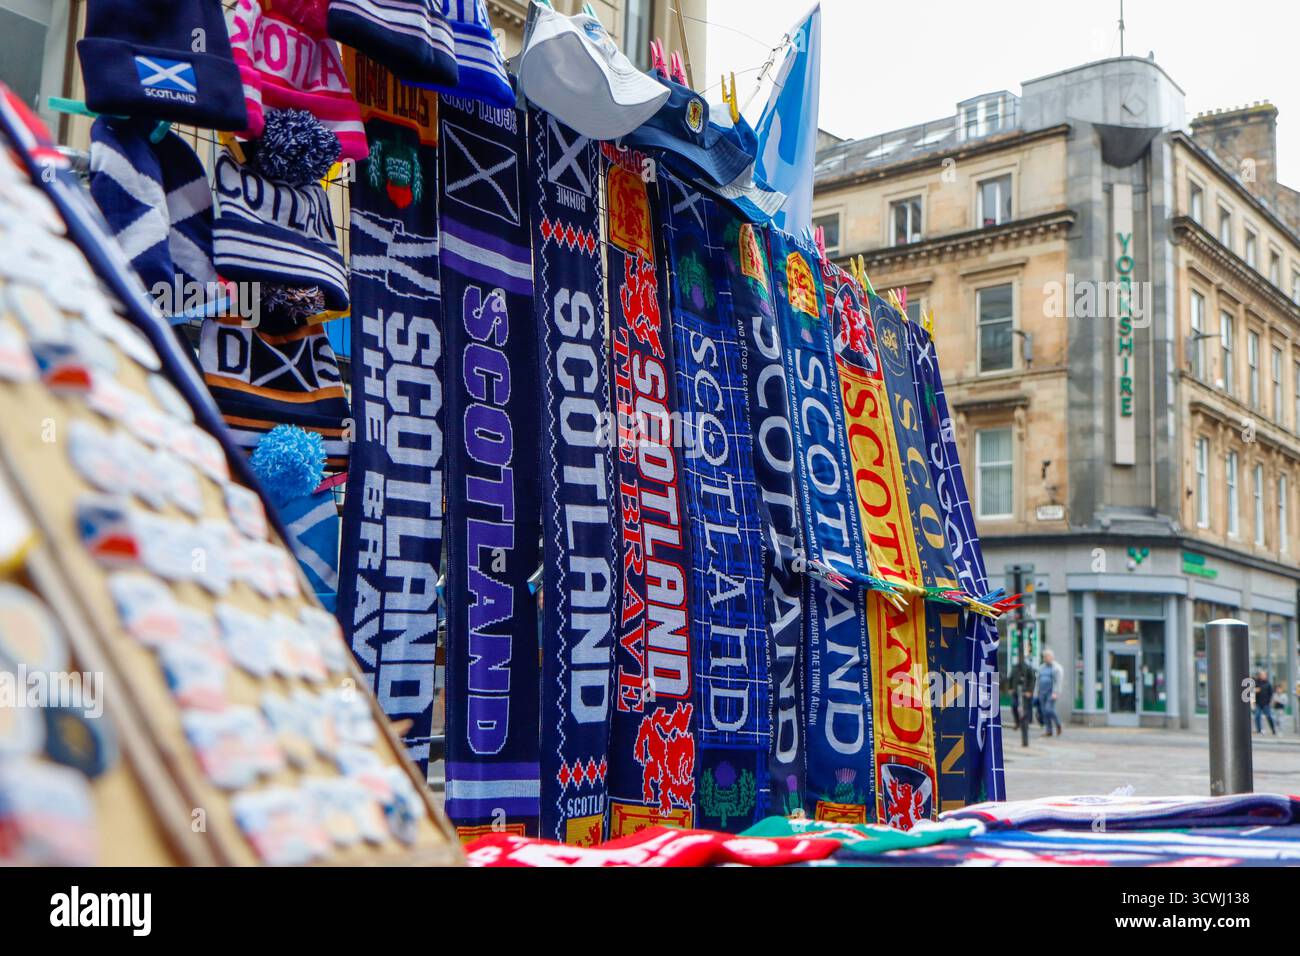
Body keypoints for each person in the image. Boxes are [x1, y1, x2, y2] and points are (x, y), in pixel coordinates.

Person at [1036, 649, 1064, 737]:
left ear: (1052, 657)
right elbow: (1037, 680)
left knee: (1049, 709)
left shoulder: (1056, 668)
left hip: (1051, 693)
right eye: (1044, 657)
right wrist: (1036, 692)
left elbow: (1058, 681)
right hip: (1042, 693)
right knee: (1044, 712)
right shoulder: (1041, 667)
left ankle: (1058, 724)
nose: (1046, 658)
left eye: (1047, 656)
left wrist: (1056, 692)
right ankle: (1048, 730)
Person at [1009, 658, 1037, 731]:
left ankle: (1025, 724)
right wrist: (1010, 688)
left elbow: (1032, 679)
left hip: (1025, 691)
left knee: (1026, 708)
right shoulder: (1015, 667)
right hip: (1016, 691)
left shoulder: (1028, 667)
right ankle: (1017, 722)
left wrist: (1030, 691)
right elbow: (1011, 678)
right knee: (1014, 706)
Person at [1254, 669, 1277, 735]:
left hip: (1266, 704)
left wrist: (1271, 702)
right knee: (1257, 716)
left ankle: (1273, 730)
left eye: (1264, 675)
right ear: (1259, 675)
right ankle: (1259, 730)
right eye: (1262, 675)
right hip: (1258, 703)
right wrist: (1252, 703)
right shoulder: (1256, 683)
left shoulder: (1268, 683)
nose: (1263, 676)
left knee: (1269, 716)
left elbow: (1271, 694)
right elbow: (1252, 693)